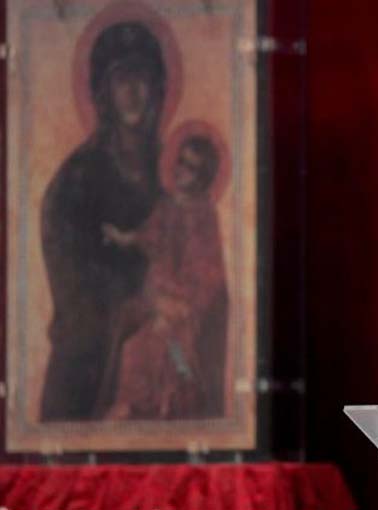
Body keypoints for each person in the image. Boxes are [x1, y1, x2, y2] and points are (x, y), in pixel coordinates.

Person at [40, 21, 167, 420]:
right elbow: (70, 280)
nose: (133, 91)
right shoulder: (76, 179)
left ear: (157, 88)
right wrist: (131, 302)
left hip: (160, 348)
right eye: (122, 79)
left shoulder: (175, 170)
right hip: (89, 364)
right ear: (104, 92)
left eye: (142, 77)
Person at [101, 133, 228, 419]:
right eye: (180, 161)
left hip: (185, 305)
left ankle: (158, 404)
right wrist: (122, 237)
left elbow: (207, 272)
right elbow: (148, 235)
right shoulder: (168, 204)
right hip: (158, 298)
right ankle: (137, 404)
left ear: (203, 177)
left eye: (191, 167)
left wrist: (177, 303)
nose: (181, 169)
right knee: (137, 339)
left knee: (159, 348)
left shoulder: (204, 214)